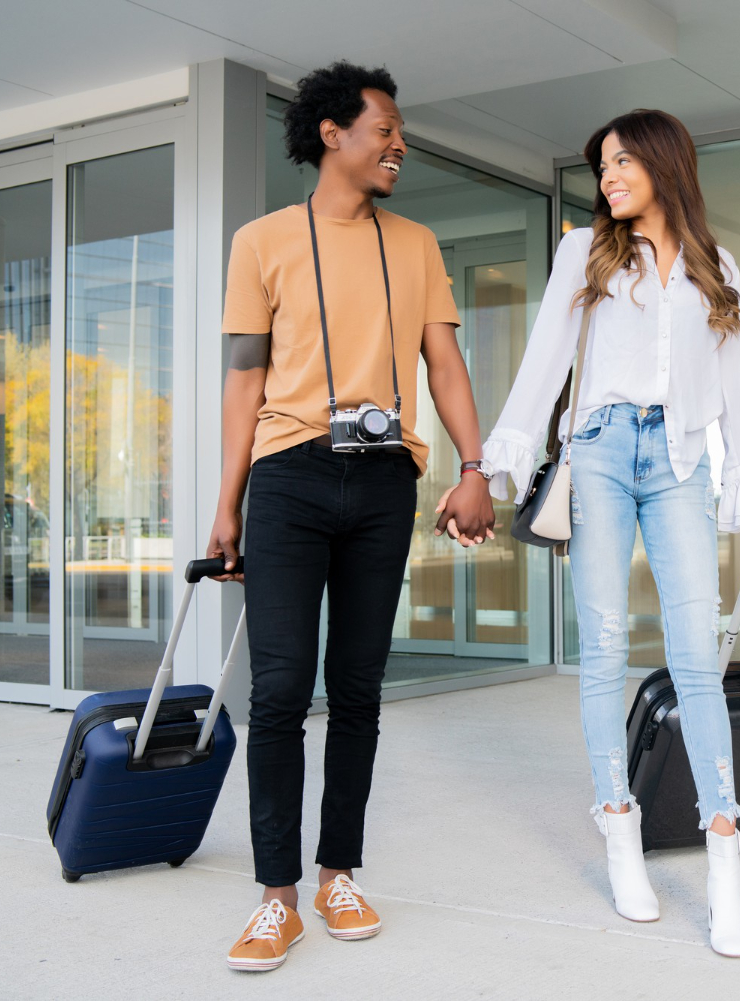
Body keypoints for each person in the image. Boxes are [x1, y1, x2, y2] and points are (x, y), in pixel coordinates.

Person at [480, 109, 740, 958]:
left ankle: (723, 856)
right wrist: (496, 466)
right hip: (596, 450)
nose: (609, 177)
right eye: (601, 166)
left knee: (695, 656)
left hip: (682, 461)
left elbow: (737, 393)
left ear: (665, 164)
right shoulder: (583, 254)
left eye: (622, 160)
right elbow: (546, 361)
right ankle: (618, 826)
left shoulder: (717, 267)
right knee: (601, 643)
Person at [208, 61, 495, 972]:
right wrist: (228, 503)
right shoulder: (260, 241)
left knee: (360, 691)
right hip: (288, 478)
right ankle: (276, 897)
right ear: (332, 133)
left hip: (382, 483)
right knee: (282, 690)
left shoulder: (414, 243)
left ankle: (339, 873)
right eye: (386, 128)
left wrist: (475, 465)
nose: (399, 143)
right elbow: (244, 379)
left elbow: (443, 365)